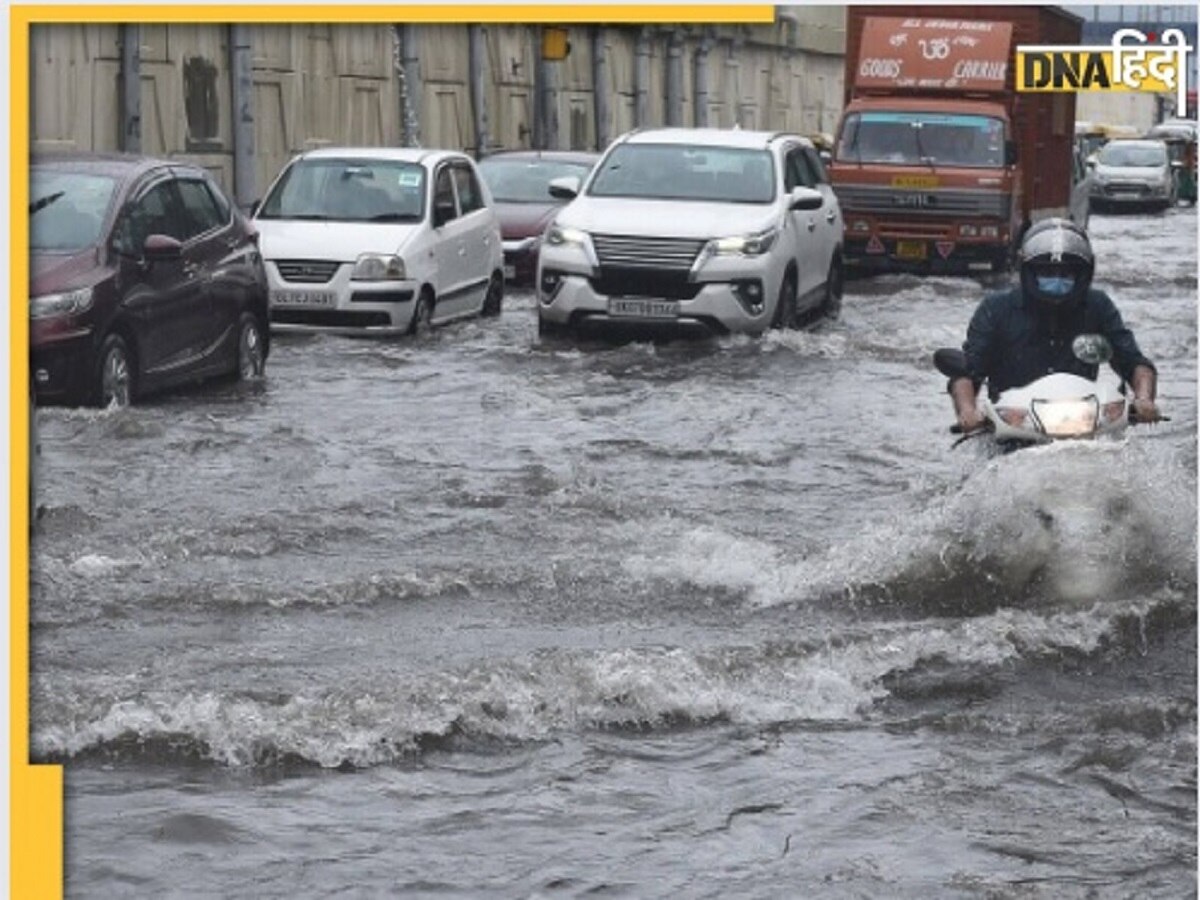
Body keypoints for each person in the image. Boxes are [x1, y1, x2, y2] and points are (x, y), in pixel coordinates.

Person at [949, 217, 1161, 432]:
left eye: (1066, 274)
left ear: (1083, 275)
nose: (1057, 281)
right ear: (1028, 272)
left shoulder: (1098, 306)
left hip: (1083, 423)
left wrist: (1143, 399)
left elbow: (1134, 362)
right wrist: (968, 412)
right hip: (1014, 424)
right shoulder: (996, 309)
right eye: (1047, 273)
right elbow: (967, 373)